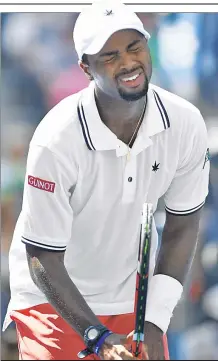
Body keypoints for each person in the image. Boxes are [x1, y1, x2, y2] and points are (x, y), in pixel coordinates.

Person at [3, 1, 210, 360]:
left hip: (131, 296)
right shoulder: (55, 139)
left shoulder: (186, 124)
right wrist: (96, 336)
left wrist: (155, 323)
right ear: (86, 66)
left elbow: (182, 226)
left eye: (135, 47)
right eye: (110, 56)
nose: (129, 63)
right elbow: (41, 257)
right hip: (51, 302)